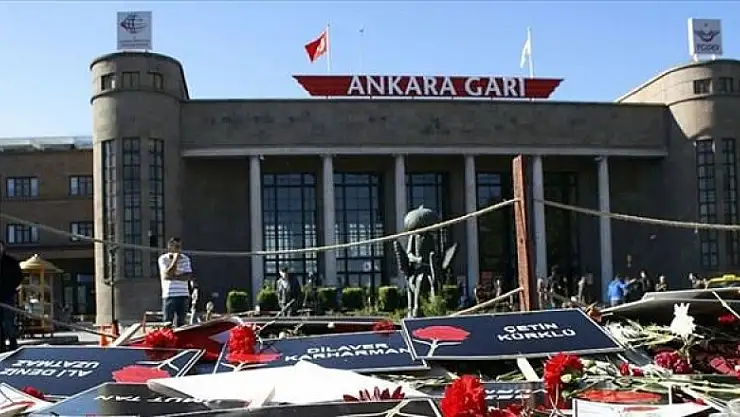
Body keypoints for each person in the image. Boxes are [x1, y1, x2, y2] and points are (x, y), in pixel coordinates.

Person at [157, 237, 194, 327]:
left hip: (183, 294)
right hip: (170, 295)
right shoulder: (163, 259)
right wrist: (175, 259)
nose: (179, 249)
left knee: (182, 324)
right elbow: (167, 275)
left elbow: (188, 276)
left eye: (180, 247)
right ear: (170, 247)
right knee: (167, 323)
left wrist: (173, 277)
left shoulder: (185, 259)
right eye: (176, 247)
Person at [0, 242, 22, 352]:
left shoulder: (11, 262)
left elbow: (18, 277)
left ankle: (13, 343)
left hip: (7, 295)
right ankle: (1, 346)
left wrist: (11, 288)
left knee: (8, 321)